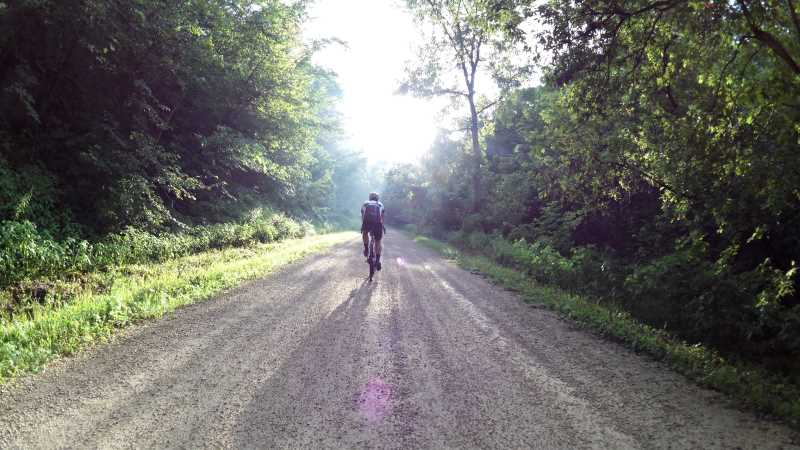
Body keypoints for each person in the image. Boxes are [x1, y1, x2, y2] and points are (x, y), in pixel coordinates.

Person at [361, 192, 385, 270]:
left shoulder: (365, 203)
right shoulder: (381, 204)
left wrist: (363, 226)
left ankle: (366, 248)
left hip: (367, 223)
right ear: (377, 198)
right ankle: (377, 260)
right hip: (377, 224)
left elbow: (363, 216)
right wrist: (382, 226)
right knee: (378, 241)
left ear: (370, 198)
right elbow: (382, 217)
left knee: (365, 233)